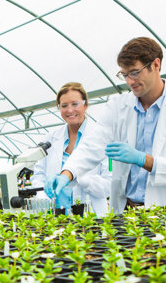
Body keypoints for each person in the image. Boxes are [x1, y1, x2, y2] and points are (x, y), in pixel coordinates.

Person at [49, 37, 166, 212]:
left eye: (135, 72)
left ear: (156, 64)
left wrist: (143, 159)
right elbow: (92, 145)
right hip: (126, 211)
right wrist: (67, 172)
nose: (130, 81)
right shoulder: (118, 107)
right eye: (124, 75)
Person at [31, 82, 111, 216]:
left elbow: (109, 185)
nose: (69, 110)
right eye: (64, 106)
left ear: (85, 105)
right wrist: (42, 195)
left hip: (91, 216)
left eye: (75, 104)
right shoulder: (50, 139)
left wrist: (76, 177)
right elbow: (38, 174)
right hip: (56, 215)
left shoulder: (102, 137)